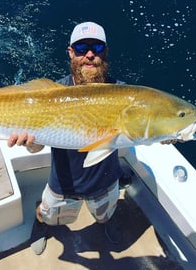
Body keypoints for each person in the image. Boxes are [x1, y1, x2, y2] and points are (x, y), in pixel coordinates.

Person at [8, 21, 124, 255]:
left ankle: (106, 222)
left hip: (107, 180)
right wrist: (30, 143)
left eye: (97, 48)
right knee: (48, 216)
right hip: (63, 184)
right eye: (82, 48)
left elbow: (144, 127)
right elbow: (38, 143)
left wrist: (167, 134)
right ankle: (40, 224)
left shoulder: (121, 92)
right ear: (71, 52)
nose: (90, 55)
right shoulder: (51, 93)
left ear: (105, 52)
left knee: (105, 215)